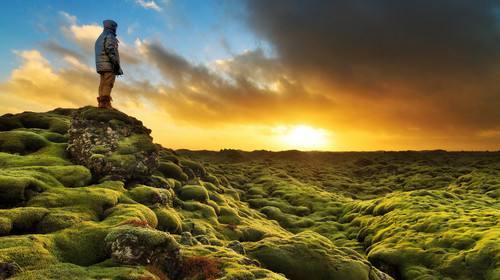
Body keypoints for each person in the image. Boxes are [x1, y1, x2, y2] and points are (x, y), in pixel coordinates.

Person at [94, 19, 123, 109]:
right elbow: (110, 49)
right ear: (112, 27)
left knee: (102, 83)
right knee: (108, 83)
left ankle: (101, 103)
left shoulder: (101, 37)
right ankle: (105, 104)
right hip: (108, 64)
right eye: (115, 27)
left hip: (101, 65)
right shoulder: (110, 36)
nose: (116, 29)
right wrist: (115, 63)